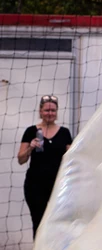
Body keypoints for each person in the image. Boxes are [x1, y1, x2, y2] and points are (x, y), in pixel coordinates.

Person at [16, 94, 73, 237]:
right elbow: (21, 160)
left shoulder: (64, 133)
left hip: (58, 186)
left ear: (57, 112)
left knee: (58, 222)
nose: (50, 113)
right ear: (40, 112)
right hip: (35, 185)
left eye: (53, 110)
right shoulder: (31, 131)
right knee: (39, 222)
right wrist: (30, 147)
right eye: (47, 110)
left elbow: (72, 158)